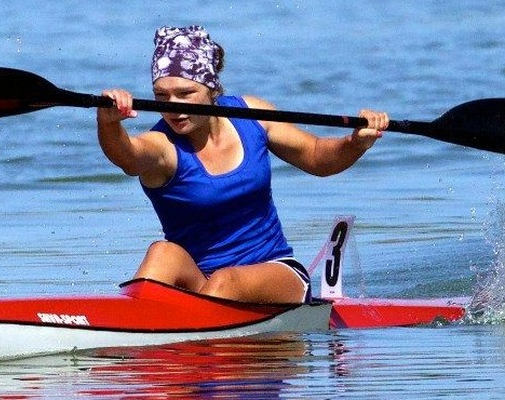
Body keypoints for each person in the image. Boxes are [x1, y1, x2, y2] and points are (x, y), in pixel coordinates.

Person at [97, 26, 388, 304]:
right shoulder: (162, 146)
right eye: (161, 96)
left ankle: (175, 323)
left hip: (276, 273)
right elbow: (128, 157)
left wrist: (355, 143)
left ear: (212, 89)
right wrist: (109, 123)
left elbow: (316, 157)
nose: (172, 106)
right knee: (162, 252)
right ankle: (128, 318)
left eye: (185, 94)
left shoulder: (252, 115)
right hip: (201, 282)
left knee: (225, 280)